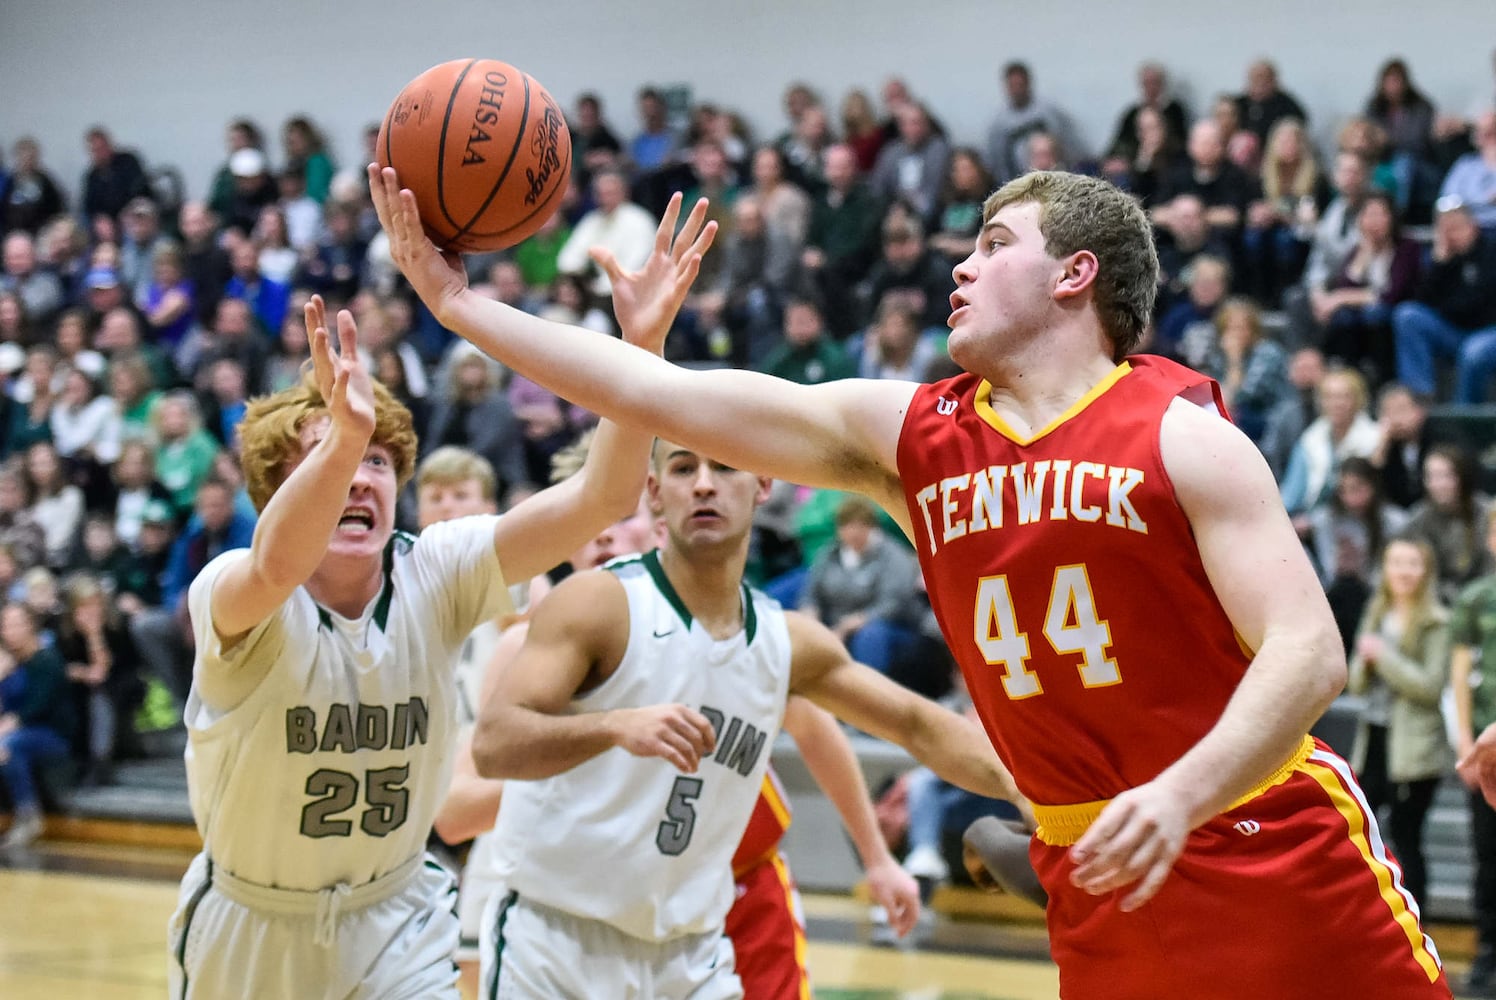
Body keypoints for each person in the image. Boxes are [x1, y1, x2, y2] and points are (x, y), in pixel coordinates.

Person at [375, 163, 1451, 996]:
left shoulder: (1182, 435)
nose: (959, 266)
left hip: (1263, 838)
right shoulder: (909, 438)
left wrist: (1175, 794)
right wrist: (460, 307)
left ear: (1075, 274)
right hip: (1099, 875)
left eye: (992, 245)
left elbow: (1306, 652)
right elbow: (670, 395)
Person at [165, 194, 716, 998]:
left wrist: (642, 350)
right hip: (251, 925)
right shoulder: (234, 589)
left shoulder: (438, 567)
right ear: (270, 495)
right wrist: (346, 433)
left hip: (397, 916)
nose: (360, 475)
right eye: (329, 462)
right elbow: (279, 566)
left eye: (380, 463)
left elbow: (601, 500)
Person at [470, 438, 1019, 998]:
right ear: (655, 495)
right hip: (559, 941)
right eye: (684, 469)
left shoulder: (786, 642)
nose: (705, 483)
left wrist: (1035, 796)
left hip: (691, 951)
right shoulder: (599, 604)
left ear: (764, 486)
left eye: (726, 466)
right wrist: (613, 726)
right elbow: (494, 745)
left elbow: (917, 724)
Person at [1346, 536, 1452, 910]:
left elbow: (1429, 686)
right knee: (1358, 833)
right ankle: (1368, 915)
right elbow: (1355, 682)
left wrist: (1383, 656)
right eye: (1396, 562)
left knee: (1408, 840)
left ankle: (1417, 923)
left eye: (1412, 563)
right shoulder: (1376, 613)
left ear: (1425, 571)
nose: (1403, 572)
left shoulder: (1437, 622)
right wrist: (1364, 659)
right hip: (1373, 738)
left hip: (1414, 747)